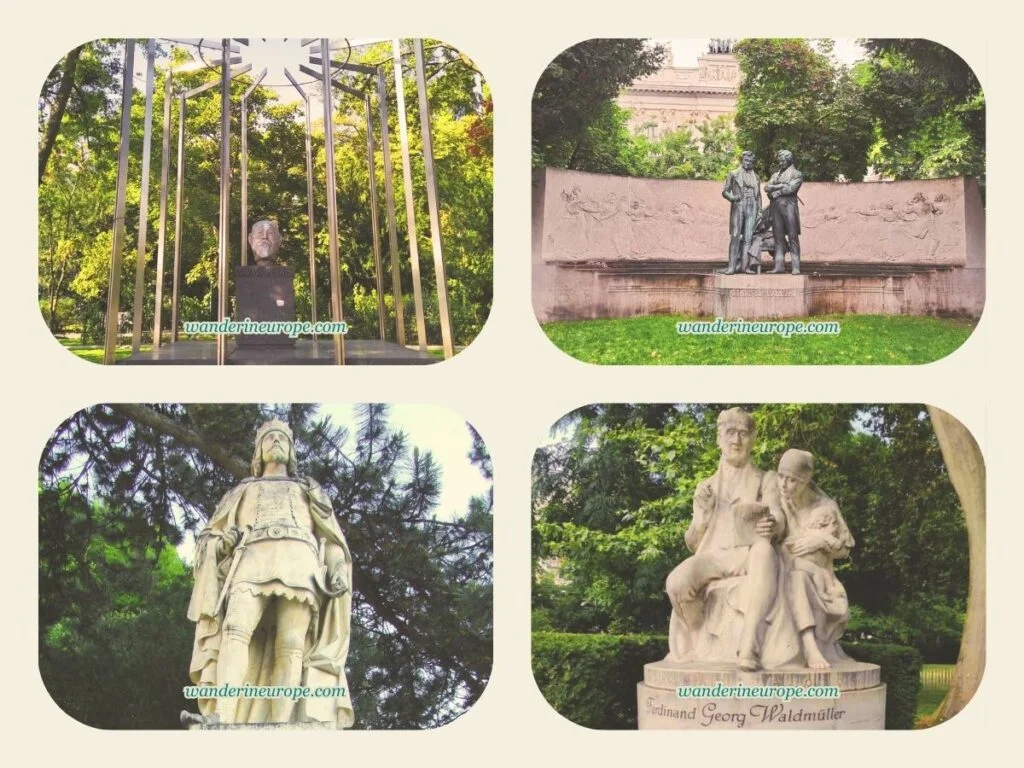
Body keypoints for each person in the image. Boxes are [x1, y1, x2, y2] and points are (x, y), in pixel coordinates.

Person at [186, 419, 354, 727]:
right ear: (258, 452)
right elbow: (210, 536)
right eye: (268, 438)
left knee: (291, 642)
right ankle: (222, 714)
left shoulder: (309, 490)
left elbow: (330, 539)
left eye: (282, 438)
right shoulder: (241, 491)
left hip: (300, 562)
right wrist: (222, 545)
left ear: (291, 451)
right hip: (251, 557)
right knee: (235, 629)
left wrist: (337, 568)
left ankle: (282, 722)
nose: (275, 441)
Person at [665, 408, 787, 671]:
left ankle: (748, 646)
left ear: (753, 438)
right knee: (676, 582)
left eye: (743, 433)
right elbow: (692, 542)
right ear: (719, 438)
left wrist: (772, 524)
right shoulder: (705, 486)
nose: (736, 440)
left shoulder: (766, 480)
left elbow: (778, 515)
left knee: (764, 551)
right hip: (713, 556)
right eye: (730, 433)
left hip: (749, 554)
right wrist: (703, 516)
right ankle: (699, 640)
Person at [776, 449, 854, 669]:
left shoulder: (825, 506)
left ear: (806, 480)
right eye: (781, 476)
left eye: (791, 480)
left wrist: (820, 541)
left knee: (798, 579)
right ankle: (809, 647)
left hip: (819, 576)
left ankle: (811, 647)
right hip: (785, 570)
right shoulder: (776, 496)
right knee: (794, 578)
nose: (783, 484)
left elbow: (844, 549)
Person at [721, 151, 762, 275]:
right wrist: (732, 198)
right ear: (742, 160)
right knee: (735, 236)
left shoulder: (757, 177)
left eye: (750, 161)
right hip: (739, 204)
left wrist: (759, 210)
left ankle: (745, 267)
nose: (748, 163)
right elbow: (725, 191)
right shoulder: (733, 173)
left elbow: (759, 195)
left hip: (752, 206)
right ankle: (731, 267)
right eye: (746, 160)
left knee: (748, 238)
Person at [764, 149, 804, 274]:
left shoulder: (796, 174)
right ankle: (779, 266)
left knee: (792, 237)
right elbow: (766, 187)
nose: (780, 163)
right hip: (775, 208)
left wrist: (776, 191)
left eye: (782, 160)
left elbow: (791, 189)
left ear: (789, 160)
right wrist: (780, 186)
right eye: (779, 161)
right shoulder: (775, 175)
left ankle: (796, 266)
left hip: (789, 208)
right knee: (778, 238)